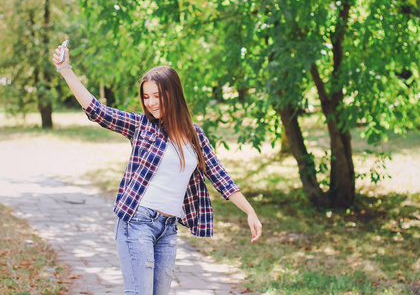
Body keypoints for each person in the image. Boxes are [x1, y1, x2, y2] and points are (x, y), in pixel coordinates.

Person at [51, 42, 262, 295]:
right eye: (146, 96)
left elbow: (220, 177)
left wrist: (250, 211)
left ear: (173, 94)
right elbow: (98, 111)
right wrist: (65, 69)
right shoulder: (141, 126)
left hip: (168, 228)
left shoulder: (195, 135)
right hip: (136, 223)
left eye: (157, 96)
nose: (150, 103)